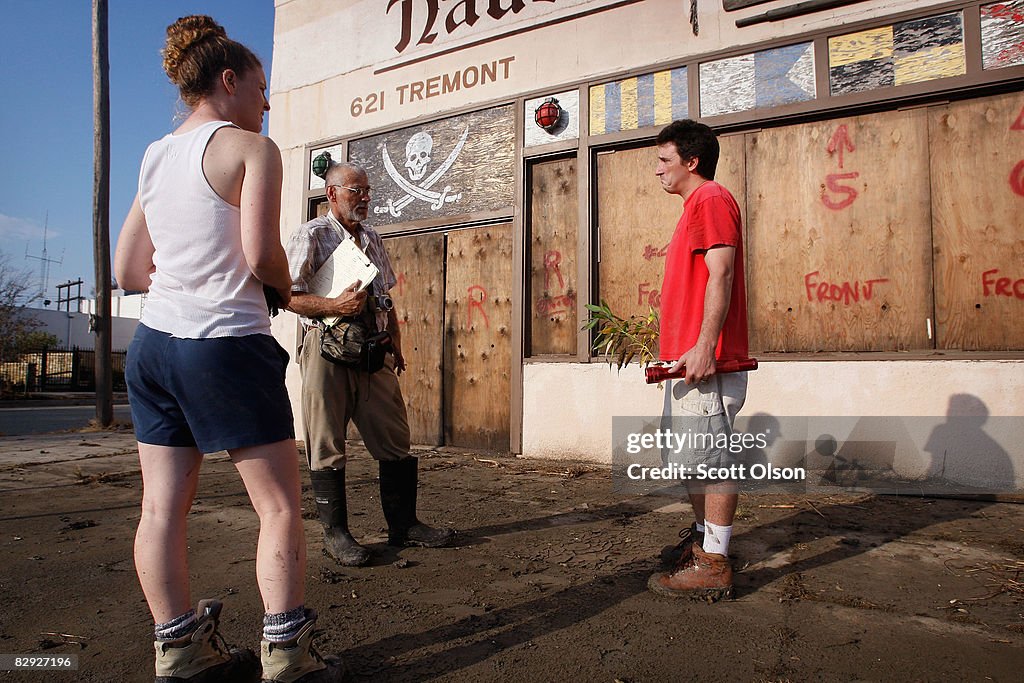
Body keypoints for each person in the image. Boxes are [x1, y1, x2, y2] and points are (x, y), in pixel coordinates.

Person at [114, 15, 344, 683]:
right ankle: (288, 656)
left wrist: (186, 281)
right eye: (262, 88)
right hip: (225, 345)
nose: (266, 104)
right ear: (229, 79)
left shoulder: (156, 154)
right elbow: (259, 254)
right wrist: (289, 282)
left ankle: (180, 651)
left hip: (154, 346)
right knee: (275, 505)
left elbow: (129, 269)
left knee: (160, 507)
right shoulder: (251, 148)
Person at [285, 161, 455, 567]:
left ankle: (404, 524)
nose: (364, 198)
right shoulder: (310, 235)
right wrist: (332, 305)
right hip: (328, 349)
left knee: (395, 436)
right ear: (332, 194)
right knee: (326, 441)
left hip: (374, 349)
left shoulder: (373, 237)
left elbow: (384, 296)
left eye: (367, 191)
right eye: (355, 191)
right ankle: (337, 534)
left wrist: (396, 340)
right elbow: (286, 295)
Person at [646, 120, 750, 602]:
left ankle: (714, 563)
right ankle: (704, 543)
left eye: (664, 160)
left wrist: (707, 343)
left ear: (692, 161)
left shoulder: (711, 199)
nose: (658, 171)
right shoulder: (694, 208)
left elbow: (722, 272)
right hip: (686, 359)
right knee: (690, 459)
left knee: (712, 457)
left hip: (704, 359)